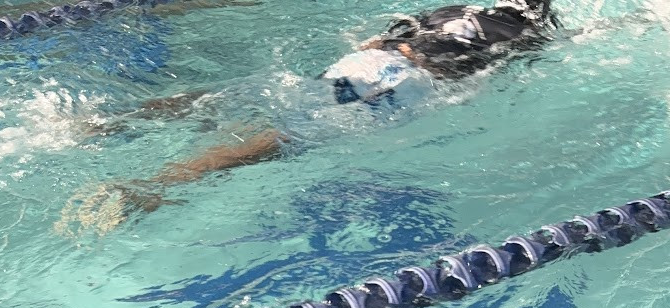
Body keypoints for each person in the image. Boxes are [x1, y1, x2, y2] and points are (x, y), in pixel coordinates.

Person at [62, 0, 572, 231]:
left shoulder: (447, 11)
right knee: (284, 139)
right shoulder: (528, 36)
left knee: (247, 95)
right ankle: (156, 186)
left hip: (378, 60)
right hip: (406, 85)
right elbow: (482, 78)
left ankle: (116, 120)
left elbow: (384, 34)